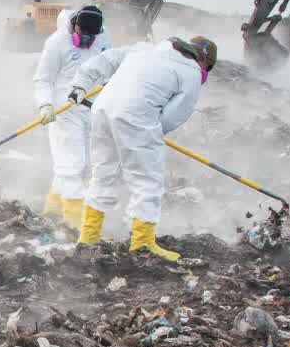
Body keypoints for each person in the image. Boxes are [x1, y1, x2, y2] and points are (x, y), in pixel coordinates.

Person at [68, 36, 216, 260]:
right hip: (137, 119)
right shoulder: (192, 72)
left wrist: (79, 85)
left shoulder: (143, 49)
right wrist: (150, 133)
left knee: (103, 174)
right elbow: (174, 116)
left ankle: (88, 237)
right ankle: (143, 243)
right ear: (204, 61)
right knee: (147, 181)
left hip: (103, 110)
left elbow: (104, 60)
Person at [33, 5, 111, 230]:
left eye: (91, 35)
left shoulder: (105, 36)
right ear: (75, 24)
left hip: (93, 109)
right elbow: (43, 79)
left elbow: (110, 66)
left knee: (83, 165)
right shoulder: (57, 43)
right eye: (82, 33)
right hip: (64, 110)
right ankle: (74, 224)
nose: (87, 38)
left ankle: (53, 210)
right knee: (71, 165)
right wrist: (45, 104)